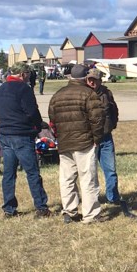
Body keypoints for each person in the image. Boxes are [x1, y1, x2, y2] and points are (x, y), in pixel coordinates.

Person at [48, 63, 108, 224]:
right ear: (84, 77)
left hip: (64, 141)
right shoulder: (89, 94)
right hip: (84, 142)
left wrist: (59, 135)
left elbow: (52, 119)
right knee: (87, 179)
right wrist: (97, 138)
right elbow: (97, 119)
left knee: (67, 178)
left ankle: (69, 210)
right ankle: (90, 214)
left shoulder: (58, 95)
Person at [0, 63, 52, 218]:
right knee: (32, 172)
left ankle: (9, 209)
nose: (29, 76)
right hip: (21, 134)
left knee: (9, 174)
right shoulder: (24, 89)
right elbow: (31, 111)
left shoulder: (2, 89)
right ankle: (41, 207)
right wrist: (39, 124)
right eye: (28, 73)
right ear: (22, 74)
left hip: (6, 135)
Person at [86, 67, 123, 205]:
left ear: (100, 81)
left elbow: (114, 110)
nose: (92, 83)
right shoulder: (84, 94)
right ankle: (92, 199)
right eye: (90, 80)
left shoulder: (107, 93)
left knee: (111, 170)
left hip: (106, 137)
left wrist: (112, 125)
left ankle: (113, 198)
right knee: (90, 171)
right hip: (90, 139)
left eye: (94, 80)